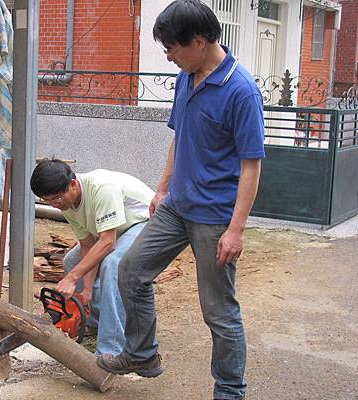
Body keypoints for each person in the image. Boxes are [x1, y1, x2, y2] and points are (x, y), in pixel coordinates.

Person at [96, 1, 265, 399]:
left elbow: (252, 166)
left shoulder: (241, 92)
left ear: (200, 41)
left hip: (214, 218)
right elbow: (179, 136)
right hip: (177, 206)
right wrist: (161, 188)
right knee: (130, 272)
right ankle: (143, 354)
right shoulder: (187, 78)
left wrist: (235, 230)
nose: (169, 56)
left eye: (173, 48)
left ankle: (229, 390)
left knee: (219, 312)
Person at [30, 159, 155, 355]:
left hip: (146, 223)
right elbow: (88, 245)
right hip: (118, 229)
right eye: (47, 201)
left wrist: (72, 278)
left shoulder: (102, 188)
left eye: (56, 199)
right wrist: (86, 290)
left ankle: (111, 349)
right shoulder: (68, 203)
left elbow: (107, 243)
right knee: (72, 261)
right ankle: (94, 321)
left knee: (113, 265)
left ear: (72, 184)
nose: (53, 205)